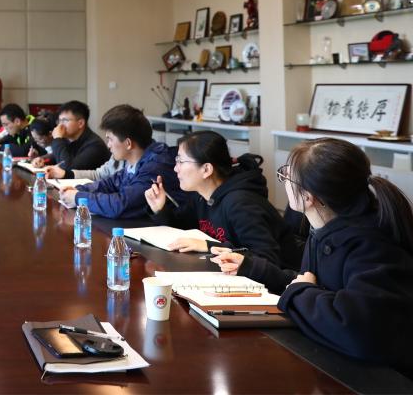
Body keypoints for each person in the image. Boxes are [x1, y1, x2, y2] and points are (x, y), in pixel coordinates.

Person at [212, 138, 413, 372]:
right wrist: (252, 268)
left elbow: (357, 329)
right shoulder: (323, 227)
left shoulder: (372, 246)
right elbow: (311, 283)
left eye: (286, 176)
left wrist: (301, 291)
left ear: (308, 197)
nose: (283, 179)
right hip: (331, 359)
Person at [144, 131, 303, 269]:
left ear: (206, 169)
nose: (175, 168)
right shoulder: (201, 196)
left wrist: (209, 246)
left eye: (181, 161)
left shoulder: (241, 203)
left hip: (279, 285)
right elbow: (183, 232)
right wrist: (160, 209)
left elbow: (267, 258)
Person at [59, 104, 183, 218]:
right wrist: (78, 190)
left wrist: (77, 197)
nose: (108, 145)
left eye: (110, 139)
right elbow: (110, 184)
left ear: (128, 143)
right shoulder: (135, 161)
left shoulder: (155, 166)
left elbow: (120, 204)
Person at [40, 101, 109, 175]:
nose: (60, 125)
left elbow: (68, 169)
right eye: (59, 121)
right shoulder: (68, 139)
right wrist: (43, 159)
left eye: (65, 120)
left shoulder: (95, 145)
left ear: (80, 123)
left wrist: (57, 139)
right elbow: (60, 155)